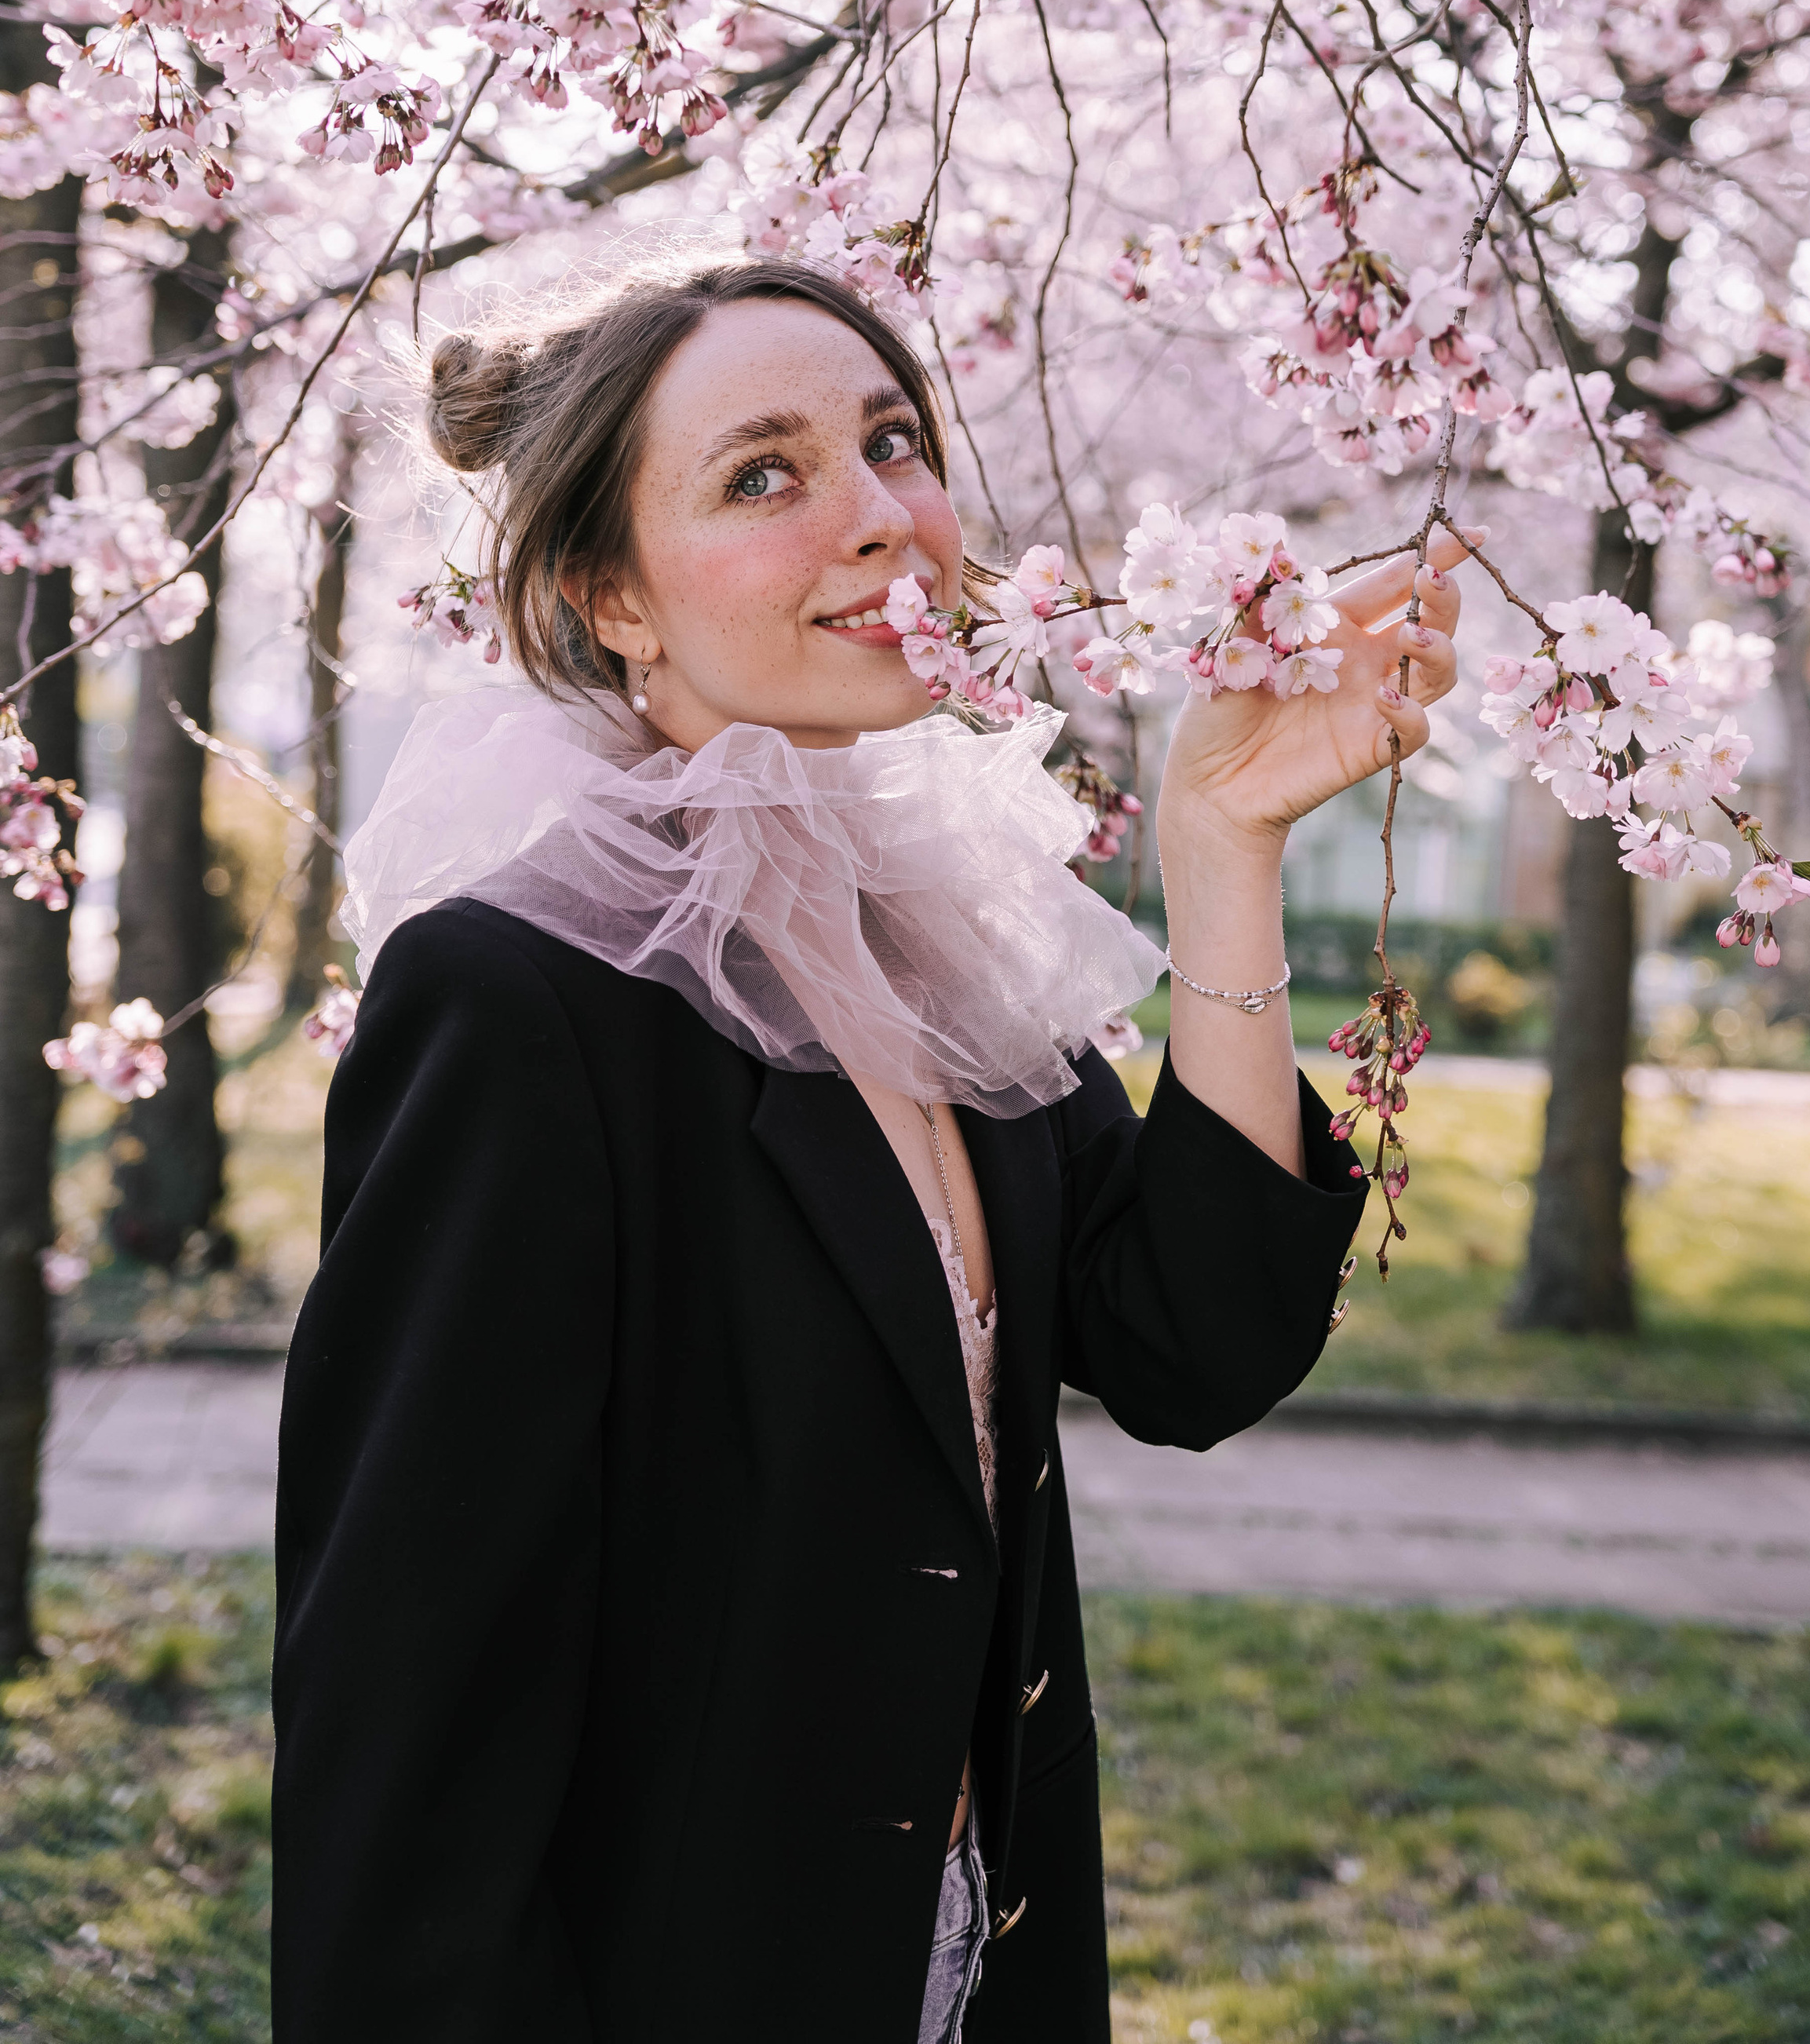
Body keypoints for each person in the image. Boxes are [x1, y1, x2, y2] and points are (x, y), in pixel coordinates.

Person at [270, 254, 1465, 2044]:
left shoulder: (940, 938)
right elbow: (406, 1696)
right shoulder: (516, 1003)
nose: (879, 521)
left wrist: (1223, 845)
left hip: (984, 1959)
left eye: (891, 443)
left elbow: (1190, 1350)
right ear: (611, 596)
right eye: (762, 475)